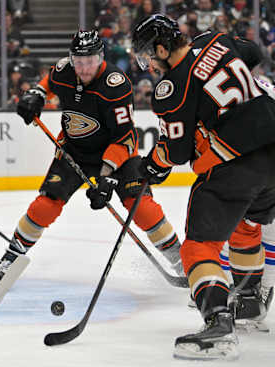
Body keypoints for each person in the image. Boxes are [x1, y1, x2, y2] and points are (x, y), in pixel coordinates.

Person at [132, 14, 275, 360]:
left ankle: (218, 325)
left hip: (236, 159)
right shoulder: (216, 39)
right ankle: (249, 302)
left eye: (148, 56)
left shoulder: (171, 89)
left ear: (163, 49)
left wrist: (152, 165)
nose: (148, 65)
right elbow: (253, 52)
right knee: (246, 221)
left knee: (198, 246)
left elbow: (178, 152)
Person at [0, 30, 183, 281]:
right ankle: (12, 255)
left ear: (100, 57)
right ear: (72, 59)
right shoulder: (65, 69)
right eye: (79, 61)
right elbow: (50, 81)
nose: (84, 68)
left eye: (90, 61)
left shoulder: (116, 85)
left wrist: (105, 176)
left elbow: (123, 137)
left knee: (142, 208)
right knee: (45, 205)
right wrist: (37, 94)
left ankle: (182, 262)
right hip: (75, 150)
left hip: (118, 153)